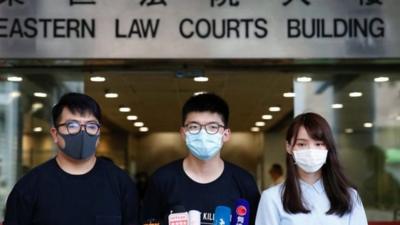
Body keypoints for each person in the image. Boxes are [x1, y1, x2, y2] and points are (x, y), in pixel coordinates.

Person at [3, 93, 139, 225]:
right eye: (72, 125)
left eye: (91, 126)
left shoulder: (121, 184)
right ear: (55, 134)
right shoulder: (29, 187)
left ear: (98, 134)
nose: (83, 132)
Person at [142, 93, 260, 225]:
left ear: (226, 134)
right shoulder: (162, 180)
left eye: (213, 127)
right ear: (183, 133)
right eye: (194, 127)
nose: (203, 134)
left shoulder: (244, 182)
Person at [256, 112, 368, 225]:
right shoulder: (272, 198)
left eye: (318, 144)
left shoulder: (349, 196)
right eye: (301, 144)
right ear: (289, 147)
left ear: (328, 147)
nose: (311, 150)